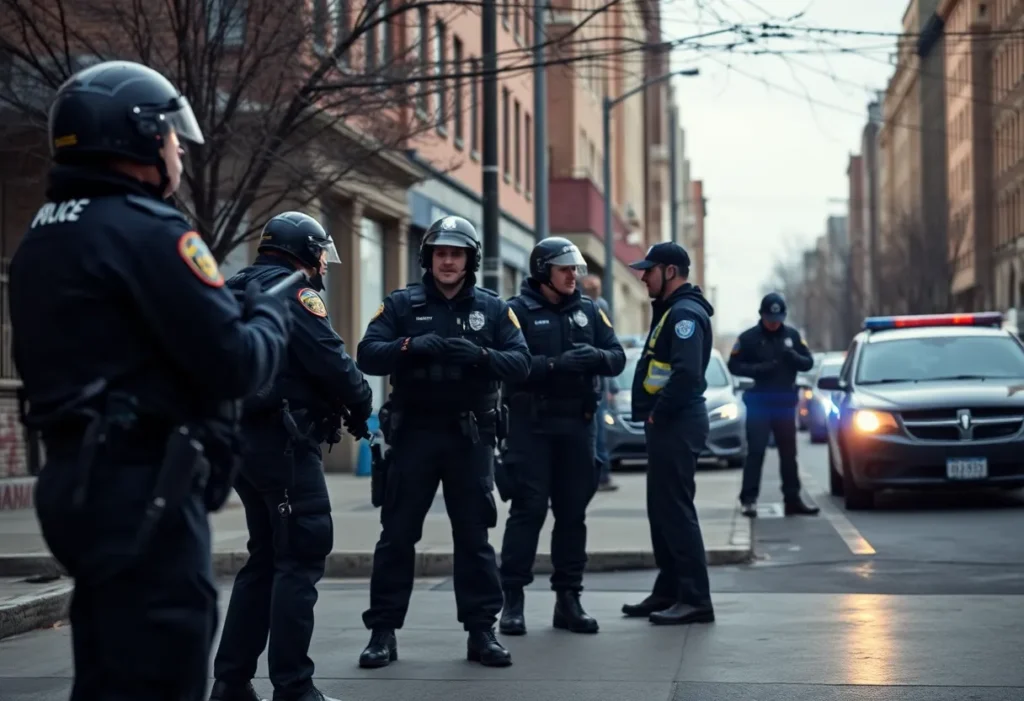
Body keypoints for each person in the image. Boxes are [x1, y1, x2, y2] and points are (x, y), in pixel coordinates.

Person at [10, 60, 291, 701]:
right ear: (135, 138)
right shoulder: (146, 230)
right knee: (162, 666)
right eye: (169, 135)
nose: (177, 150)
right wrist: (271, 315)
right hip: (143, 488)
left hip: (77, 482)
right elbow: (236, 362)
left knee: (110, 671)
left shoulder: (44, 236)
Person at [209, 211, 374, 701]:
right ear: (304, 251)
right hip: (284, 447)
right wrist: (363, 404)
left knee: (264, 560)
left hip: (244, 444)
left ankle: (231, 684)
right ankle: (294, 687)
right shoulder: (292, 290)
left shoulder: (234, 285)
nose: (324, 263)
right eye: (321, 252)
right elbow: (331, 360)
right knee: (299, 559)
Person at [355, 215, 530, 668]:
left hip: (469, 436)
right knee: (396, 537)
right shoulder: (400, 305)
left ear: (470, 260)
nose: (447, 261)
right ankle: (382, 633)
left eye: (456, 254)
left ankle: (481, 633)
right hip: (414, 434)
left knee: (474, 538)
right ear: (427, 259)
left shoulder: (493, 308)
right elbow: (367, 353)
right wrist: (411, 346)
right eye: (440, 254)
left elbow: (521, 363)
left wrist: (483, 355)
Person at [496, 239, 625, 636]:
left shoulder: (590, 310)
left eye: (575, 268)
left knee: (573, 515)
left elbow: (617, 356)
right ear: (541, 271)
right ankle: (512, 601)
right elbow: (506, 365)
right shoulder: (516, 312)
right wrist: (553, 365)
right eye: (564, 269)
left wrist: (597, 359)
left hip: (577, 428)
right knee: (528, 512)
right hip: (530, 429)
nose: (573, 275)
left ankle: (568, 599)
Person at [619, 243, 716, 626]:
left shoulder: (684, 315)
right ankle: (669, 590)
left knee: (676, 512)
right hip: (668, 424)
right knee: (662, 511)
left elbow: (687, 375)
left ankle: (695, 599)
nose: (643, 277)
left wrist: (658, 414)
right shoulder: (672, 311)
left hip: (677, 423)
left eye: (649, 270)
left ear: (670, 271)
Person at [728, 293, 820, 518]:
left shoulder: (791, 335)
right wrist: (759, 369)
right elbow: (734, 365)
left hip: (784, 404)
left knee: (789, 454)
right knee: (756, 452)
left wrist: (793, 358)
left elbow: (808, 362)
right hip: (759, 403)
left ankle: (792, 499)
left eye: (778, 318)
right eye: (770, 318)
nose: (774, 323)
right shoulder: (748, 338)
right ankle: (749, 500)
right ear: (762, 315)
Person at [580, 274, 619, 492]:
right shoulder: (580, 306)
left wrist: (611, 385)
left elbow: (609, 346)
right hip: (586, 376)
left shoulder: (599, 307)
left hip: (598, 378)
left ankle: (601, 475)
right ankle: (592, 475)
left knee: (599, 429)